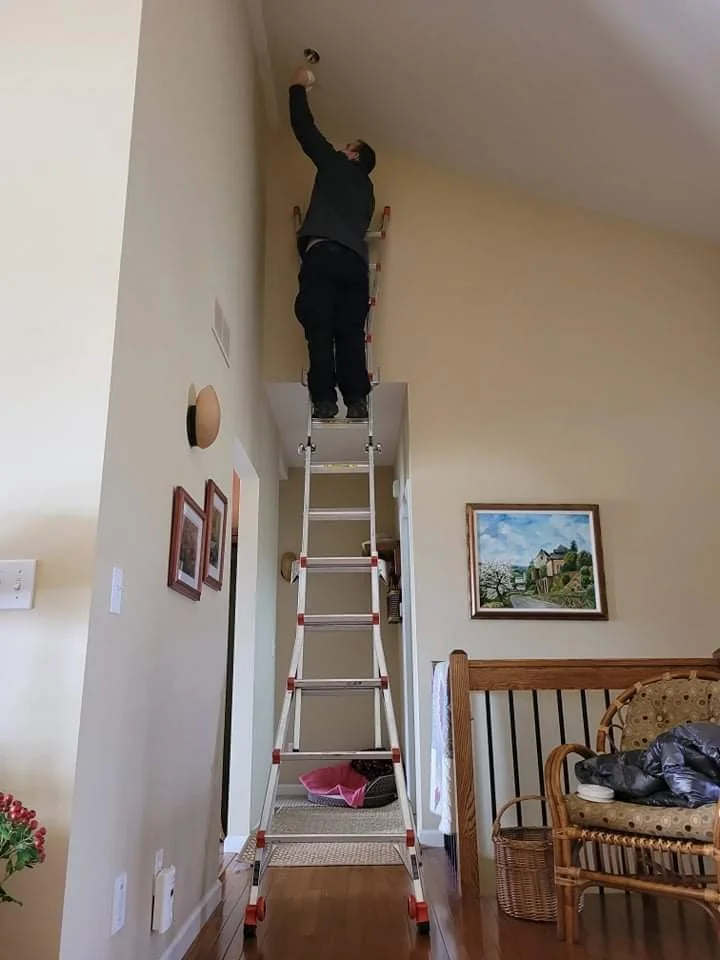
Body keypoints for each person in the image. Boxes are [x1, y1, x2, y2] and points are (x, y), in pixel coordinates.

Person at [288, 66, 376, 420]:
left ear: (354, 156)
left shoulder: (336, 166)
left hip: (323, 256)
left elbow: (304, 130)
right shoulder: (367, 191)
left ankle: (325, 401)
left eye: (347, 148)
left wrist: (297, 87)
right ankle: (357, 401)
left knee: (320, 328)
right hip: (355, 265)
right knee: (350, 333)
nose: (342, 149)